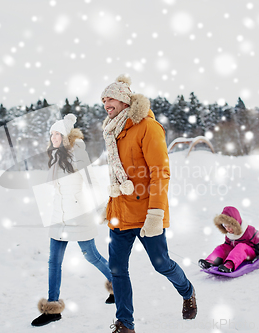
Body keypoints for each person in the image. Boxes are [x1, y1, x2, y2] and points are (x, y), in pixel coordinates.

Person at [100, 75, 197, 333]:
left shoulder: (147, 127)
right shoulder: (112, 130)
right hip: (120, 213)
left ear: (123, 100)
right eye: (103, 99)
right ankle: (125, 324)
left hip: (146, 213)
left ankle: (187, 291)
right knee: (117, 270)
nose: (105, 103)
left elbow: (160, 172)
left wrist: (156, 212)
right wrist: (110, 205)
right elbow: (119, 174)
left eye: (110, 98)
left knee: (161, 263)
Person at [31, 114, 114, 327]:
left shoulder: (78, 152)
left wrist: (101, 208)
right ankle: (52, 308)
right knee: (54, 262)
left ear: (65, 135)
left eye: (57, 133)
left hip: (79, 215)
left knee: (91, 256)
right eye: (51, 134)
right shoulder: (56, 156)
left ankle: (118, 285)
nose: (53, 137)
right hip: (59, 216)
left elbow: (92, 182)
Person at [198, 206, 259, 273]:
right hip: (236, 253)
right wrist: (223, 252)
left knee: (240, 246)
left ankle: (229, 265)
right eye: (225, 226)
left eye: (229, 226)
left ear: (235, 224)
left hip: (250, 253)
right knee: (222, 247)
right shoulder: (229, 233)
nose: (227, 229)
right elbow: (226, 247)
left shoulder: (250, 230)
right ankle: (211, 261)